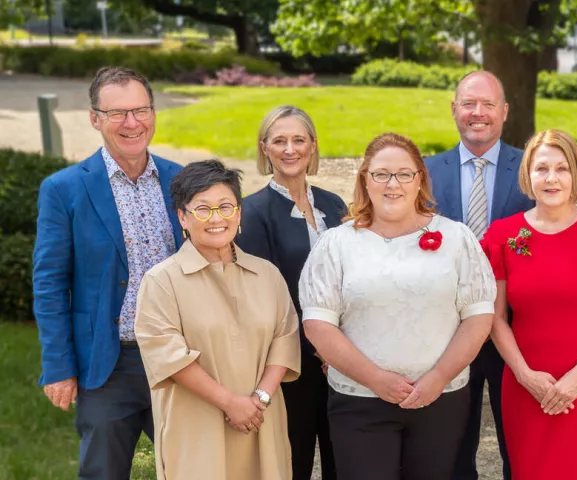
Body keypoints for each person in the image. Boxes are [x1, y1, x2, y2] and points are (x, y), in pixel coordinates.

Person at [299, 132, 496, 479]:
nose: (393, 184)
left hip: (440, 398)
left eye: (405, 174)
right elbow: (318, 324)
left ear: (420, 179)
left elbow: (478, 317)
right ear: (365, 179)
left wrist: (437, 377)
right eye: (381, 174)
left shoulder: (456, 238)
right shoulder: (336, 244)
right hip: (359, 400)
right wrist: (376, 379)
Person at [33, 66, 184, 479]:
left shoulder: (181, 182)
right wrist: (59, 365)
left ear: (153, 113)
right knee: (103, 472)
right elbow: (49, 285)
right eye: (117, 113)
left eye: (141, 110)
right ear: (94, 118)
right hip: (108, 363)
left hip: (180, 359)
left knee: (195, 467)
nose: (132, 123)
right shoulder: (65, 189)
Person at [480, 129, 577, 479]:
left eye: (562, 169)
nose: (551, 178)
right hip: (526, 387)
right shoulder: (503, 237)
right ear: (527, 175)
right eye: (542, 169)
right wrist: (524, 375)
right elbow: (496, 317)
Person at [135, 160, 300, 479]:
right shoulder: (161, 281)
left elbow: (285, 339)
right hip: (197, 426)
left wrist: (258, 399)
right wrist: (230, 403)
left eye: (225, 207)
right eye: (202, 209)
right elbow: (169, 358)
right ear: (182, 216)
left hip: (261, 420)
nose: (216, 218)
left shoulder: (267, 275)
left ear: (238, 213)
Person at [425, 71, 534, 480]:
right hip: (446, 331)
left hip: (517, 329)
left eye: (488, 105)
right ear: (454, 109)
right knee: (452, 445)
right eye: (469, 104)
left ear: (504, 113)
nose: (478, 113)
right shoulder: (424, 172)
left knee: (520, 444)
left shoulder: (531, 169)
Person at [236, 105, 346, 480]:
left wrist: (344, 348)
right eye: (279, 140)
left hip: (344, 364)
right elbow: (266, 299)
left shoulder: (334, 205)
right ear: (264, 148)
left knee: (345, 461)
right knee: (293, 462)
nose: (290, 149)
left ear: (313, 147)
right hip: (291, 365)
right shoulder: (251, 212)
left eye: (299, 140)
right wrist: (321, 347)